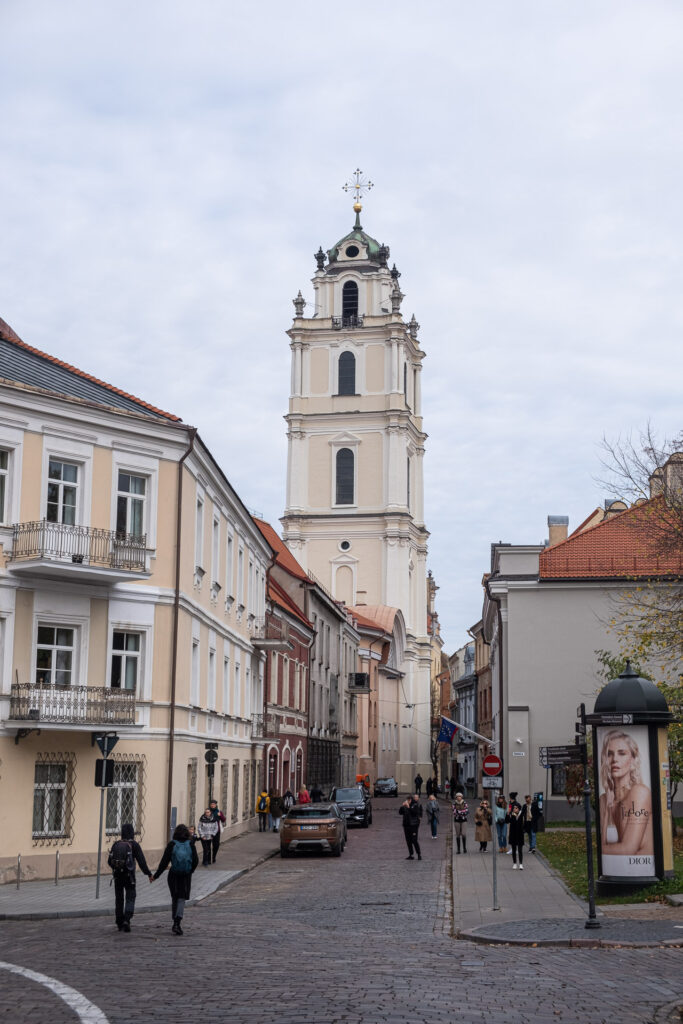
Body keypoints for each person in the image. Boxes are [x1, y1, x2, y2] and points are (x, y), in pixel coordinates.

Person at [599, 729, 653, 857]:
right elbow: (602, 843)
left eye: (622, 753)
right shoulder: (603, 799)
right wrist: (607, 809)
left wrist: (594, 851)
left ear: (633, 760)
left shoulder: (639, 792)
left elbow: (628, 849)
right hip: (617, 871)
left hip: (642, 871)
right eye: (610, 754)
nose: (614, 760)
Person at [152, 823, 199, 934]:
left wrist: (155, 876)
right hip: (186, 875)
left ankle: (174, 919)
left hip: (173, 875)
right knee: (181, 898)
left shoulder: (172, 844)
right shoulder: (191, 844)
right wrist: (190, 871)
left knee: (175, 896)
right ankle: (177, 922)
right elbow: (196, 861)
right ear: (187, 834)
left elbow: (164, 862)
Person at [108, 822, 153, 932]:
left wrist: (116, 868)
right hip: (129, 876)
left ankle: (119, 921)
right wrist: (149, 874)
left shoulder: (116, 844)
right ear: (132, 832)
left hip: (118, 876)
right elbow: (142, 862)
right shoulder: (134, 845)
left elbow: (110, 861)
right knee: (130, 897)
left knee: (119, 899)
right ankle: (127, 919)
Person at [399, 794, 423, 860]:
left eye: (408, 800)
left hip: (413, 825)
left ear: (410, 800)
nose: (407, 801)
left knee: (414, 840)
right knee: (408, 841)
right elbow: (400, 812)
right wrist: (402, 806)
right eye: (407, 800)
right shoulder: (406, 805)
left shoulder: (415, 805)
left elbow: (414, 813)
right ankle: (411, 854)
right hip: (406, 825)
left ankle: (419, 854)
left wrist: (408, 807)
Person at [507, 802, 525, 869]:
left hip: (520, 835)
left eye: (516, 808)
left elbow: (524, 823)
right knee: (514, 850)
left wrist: (524, 830)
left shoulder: (522, 814)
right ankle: (514, 863)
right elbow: (507, 821)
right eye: (513, 808)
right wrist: (508, 814)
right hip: (513, 834)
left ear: (519, 809)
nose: (514, 809)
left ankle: (521, 864)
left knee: (520, 850)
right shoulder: (512, 815)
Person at [208, 799, 226, 863]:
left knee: (216, 845)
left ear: (216, 805)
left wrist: (220, 815)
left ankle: (214, 856)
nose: (212, 805)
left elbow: (223, 820)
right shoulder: (208, 811)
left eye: (214, 804)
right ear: (210, 805)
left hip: (216, 831)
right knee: (208, 845)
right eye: (211, 804)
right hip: (209, 831)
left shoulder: (218, 811)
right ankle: (209, 859)